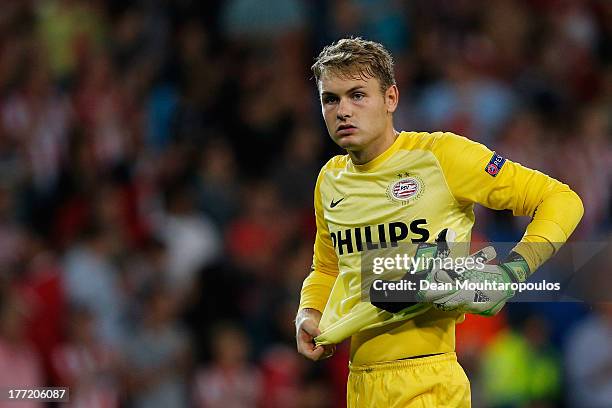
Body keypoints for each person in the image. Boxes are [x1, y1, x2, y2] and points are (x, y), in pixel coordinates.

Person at [294, 37, 583, 407]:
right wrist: (309, 313)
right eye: (330, 99)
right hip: (359, 384)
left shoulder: (442, 156)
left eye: (357, 95)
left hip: (427, 381)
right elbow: (326, 267)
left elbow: (561, 199)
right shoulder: (330, 180)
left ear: (391, 99)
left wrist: (516, 268)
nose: (343, 110)